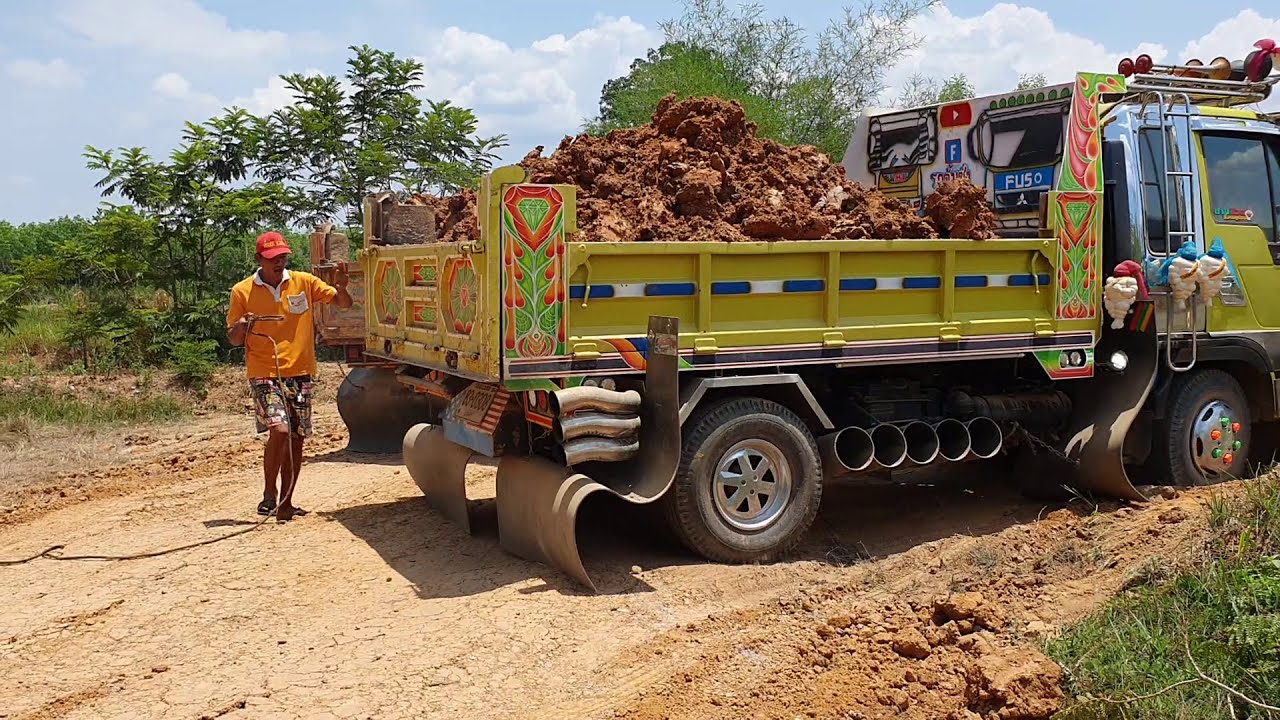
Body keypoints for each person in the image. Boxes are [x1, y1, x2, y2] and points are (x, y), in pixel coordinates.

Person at [227, 231, 352, 521]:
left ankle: (286, 503)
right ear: (259, 259)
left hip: (300, 371)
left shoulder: (304, 282)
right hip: (264, 372)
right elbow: (233, 338)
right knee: (280, 431)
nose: (279, 263)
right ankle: (269, 491)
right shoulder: (242, 292)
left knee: (296, 439)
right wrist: (243, 326)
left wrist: (343, 287)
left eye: (283, 257)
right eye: (273, 259)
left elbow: (343, 304)